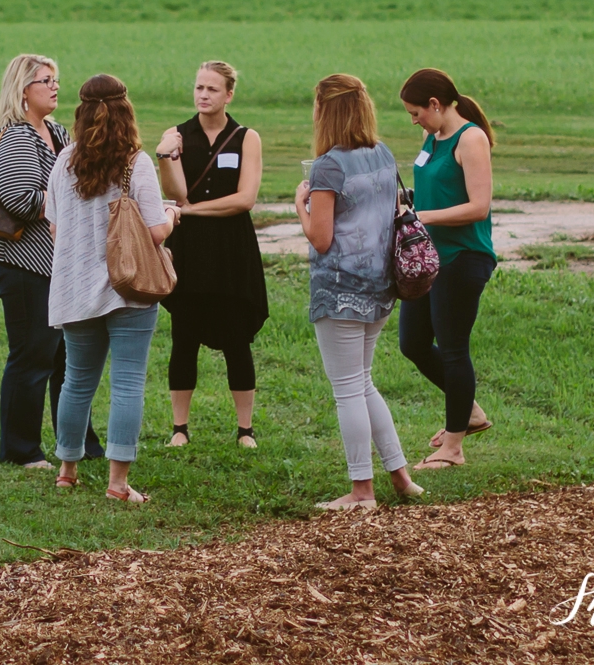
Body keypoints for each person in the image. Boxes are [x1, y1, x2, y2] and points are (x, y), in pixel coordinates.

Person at [47, 74, 179, 503]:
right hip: (130, 288)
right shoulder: (134, 162)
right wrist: (173, 215)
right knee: (126, 383)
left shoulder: (64, 159)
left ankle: (67, 470)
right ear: (127, 111)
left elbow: (54, 227)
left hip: (74, 288)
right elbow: (155, 231)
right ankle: (118, 483)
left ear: (80, 113)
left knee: (76, 381)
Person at [294, 74, 423, 510]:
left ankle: (361, 491)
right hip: (381, 287)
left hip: (340, 290)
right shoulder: (382, 154)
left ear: (325, 111)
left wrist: (301, 204)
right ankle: (402, 478)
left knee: (348, 389)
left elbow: (321, 238)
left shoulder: (328, 166)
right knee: (364, 383)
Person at [0, 54, 103, 469]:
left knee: (65, 359)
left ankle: (78, 443)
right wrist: (66, 205)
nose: (54, 87)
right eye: (45, 81)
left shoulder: (55, 130)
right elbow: (18, 199)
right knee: (32, 355)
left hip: (56, 265)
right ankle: (20, 450)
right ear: (23, 90)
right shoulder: (17, 137)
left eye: (55, 80)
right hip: (22, 264)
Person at [154, 61, 268, 448]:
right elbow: (177, 194)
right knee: (183, 336)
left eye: (212, 89)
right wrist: (164, 158)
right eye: (199, 87)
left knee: (237, 337)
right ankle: (179, 428)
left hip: (231, 247)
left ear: (229, 94)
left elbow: (245, 199)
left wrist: (193, 211)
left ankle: (245, 430)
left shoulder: (246, 137)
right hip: (188, 248)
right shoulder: (178, 135)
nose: (203, 95)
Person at [397, 67, 497, 470]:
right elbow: (434, 187)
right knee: (413, 343)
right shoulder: (431, 137)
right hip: (431, 258)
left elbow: (478, 207)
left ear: (435, 105)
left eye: (416, 112)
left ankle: (453, 447)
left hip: (463, 258)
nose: (414, 120)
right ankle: (469, 410)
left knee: (454, 348)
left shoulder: (470, 139)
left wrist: (422, 215)